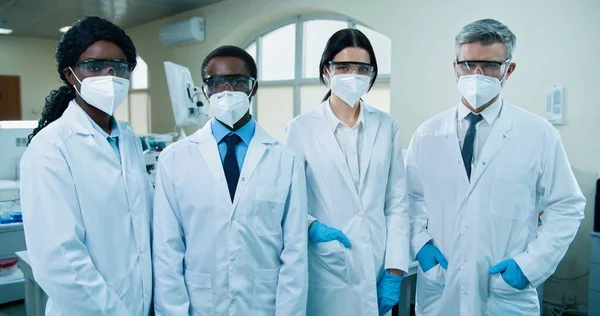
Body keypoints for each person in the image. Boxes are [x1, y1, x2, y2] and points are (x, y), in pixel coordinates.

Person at [406, 19, 586, 315]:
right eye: (468, 64)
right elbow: (409, 200)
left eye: (490, 66)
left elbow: (566, 206)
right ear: (455, 67)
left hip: (504, 295)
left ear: (508, 69)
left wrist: (530, 266)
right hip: (442, 288)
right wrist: (420, 245)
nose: (477, 74)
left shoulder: (538, 134)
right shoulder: (427, 134)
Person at [152, 45, 308, 316]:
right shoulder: (174, 160)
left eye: (237, 82)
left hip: (263, 304)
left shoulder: (286, 160)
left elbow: (295, 253)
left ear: (253, 88)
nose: (227, 91)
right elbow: (167, 252)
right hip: (200, 304)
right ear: (205, 91)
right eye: (217, 83)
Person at [20, 16, 153, 315]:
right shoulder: (51, 148)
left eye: (119, 67)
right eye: (94, 66)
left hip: (140, 304)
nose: (109, 74)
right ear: (70, 74)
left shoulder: (128, 140)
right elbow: (60, 262)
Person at [284, 29, 410, 316]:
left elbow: (398, 204)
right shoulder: (300, 129)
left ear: (372, 74)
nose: (353, 75)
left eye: (362, 68)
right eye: (342, 67)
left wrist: (394, 268)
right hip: (326, 267)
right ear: (326, 71)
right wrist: (312, 227)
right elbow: (288, 202)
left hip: (377, 265)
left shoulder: (387, 126)